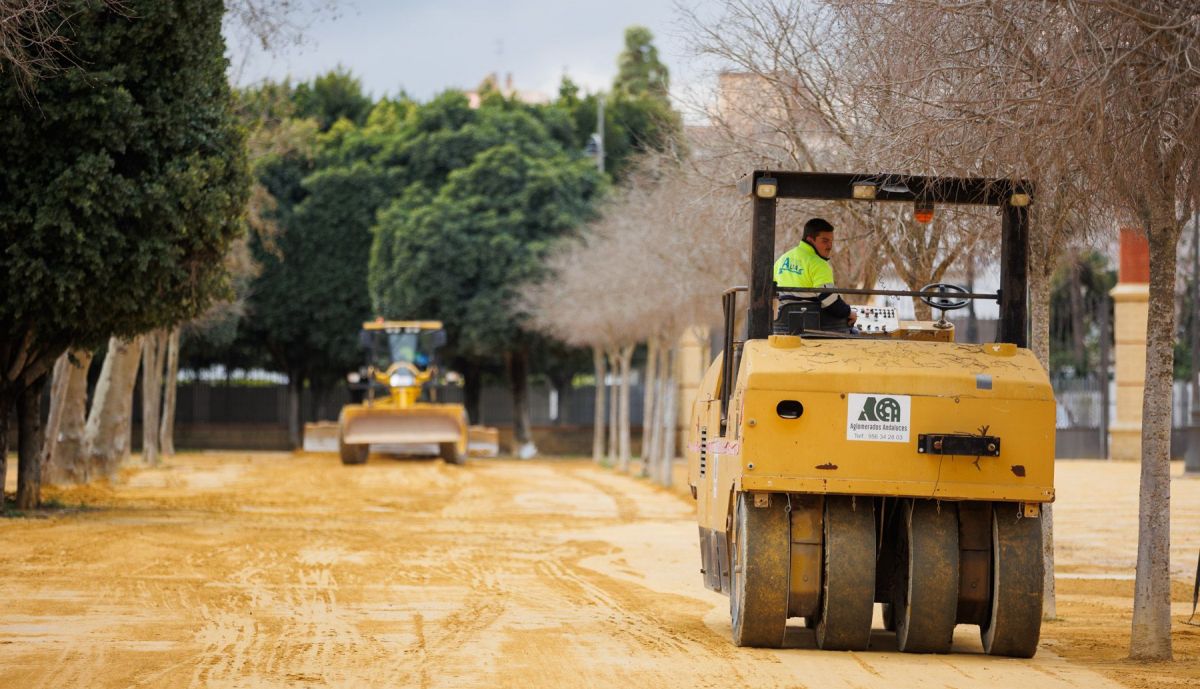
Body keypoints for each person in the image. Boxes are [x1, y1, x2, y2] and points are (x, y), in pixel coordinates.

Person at [773, 217, 857, 327]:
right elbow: (830, 302)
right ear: (810, 240)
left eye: (831, 242)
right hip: (813, 326)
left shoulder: (782, 259)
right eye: (825, 241)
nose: (829, 246)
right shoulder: (819, 264)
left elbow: (770, 294)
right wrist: (849, 313)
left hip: (783, 326)